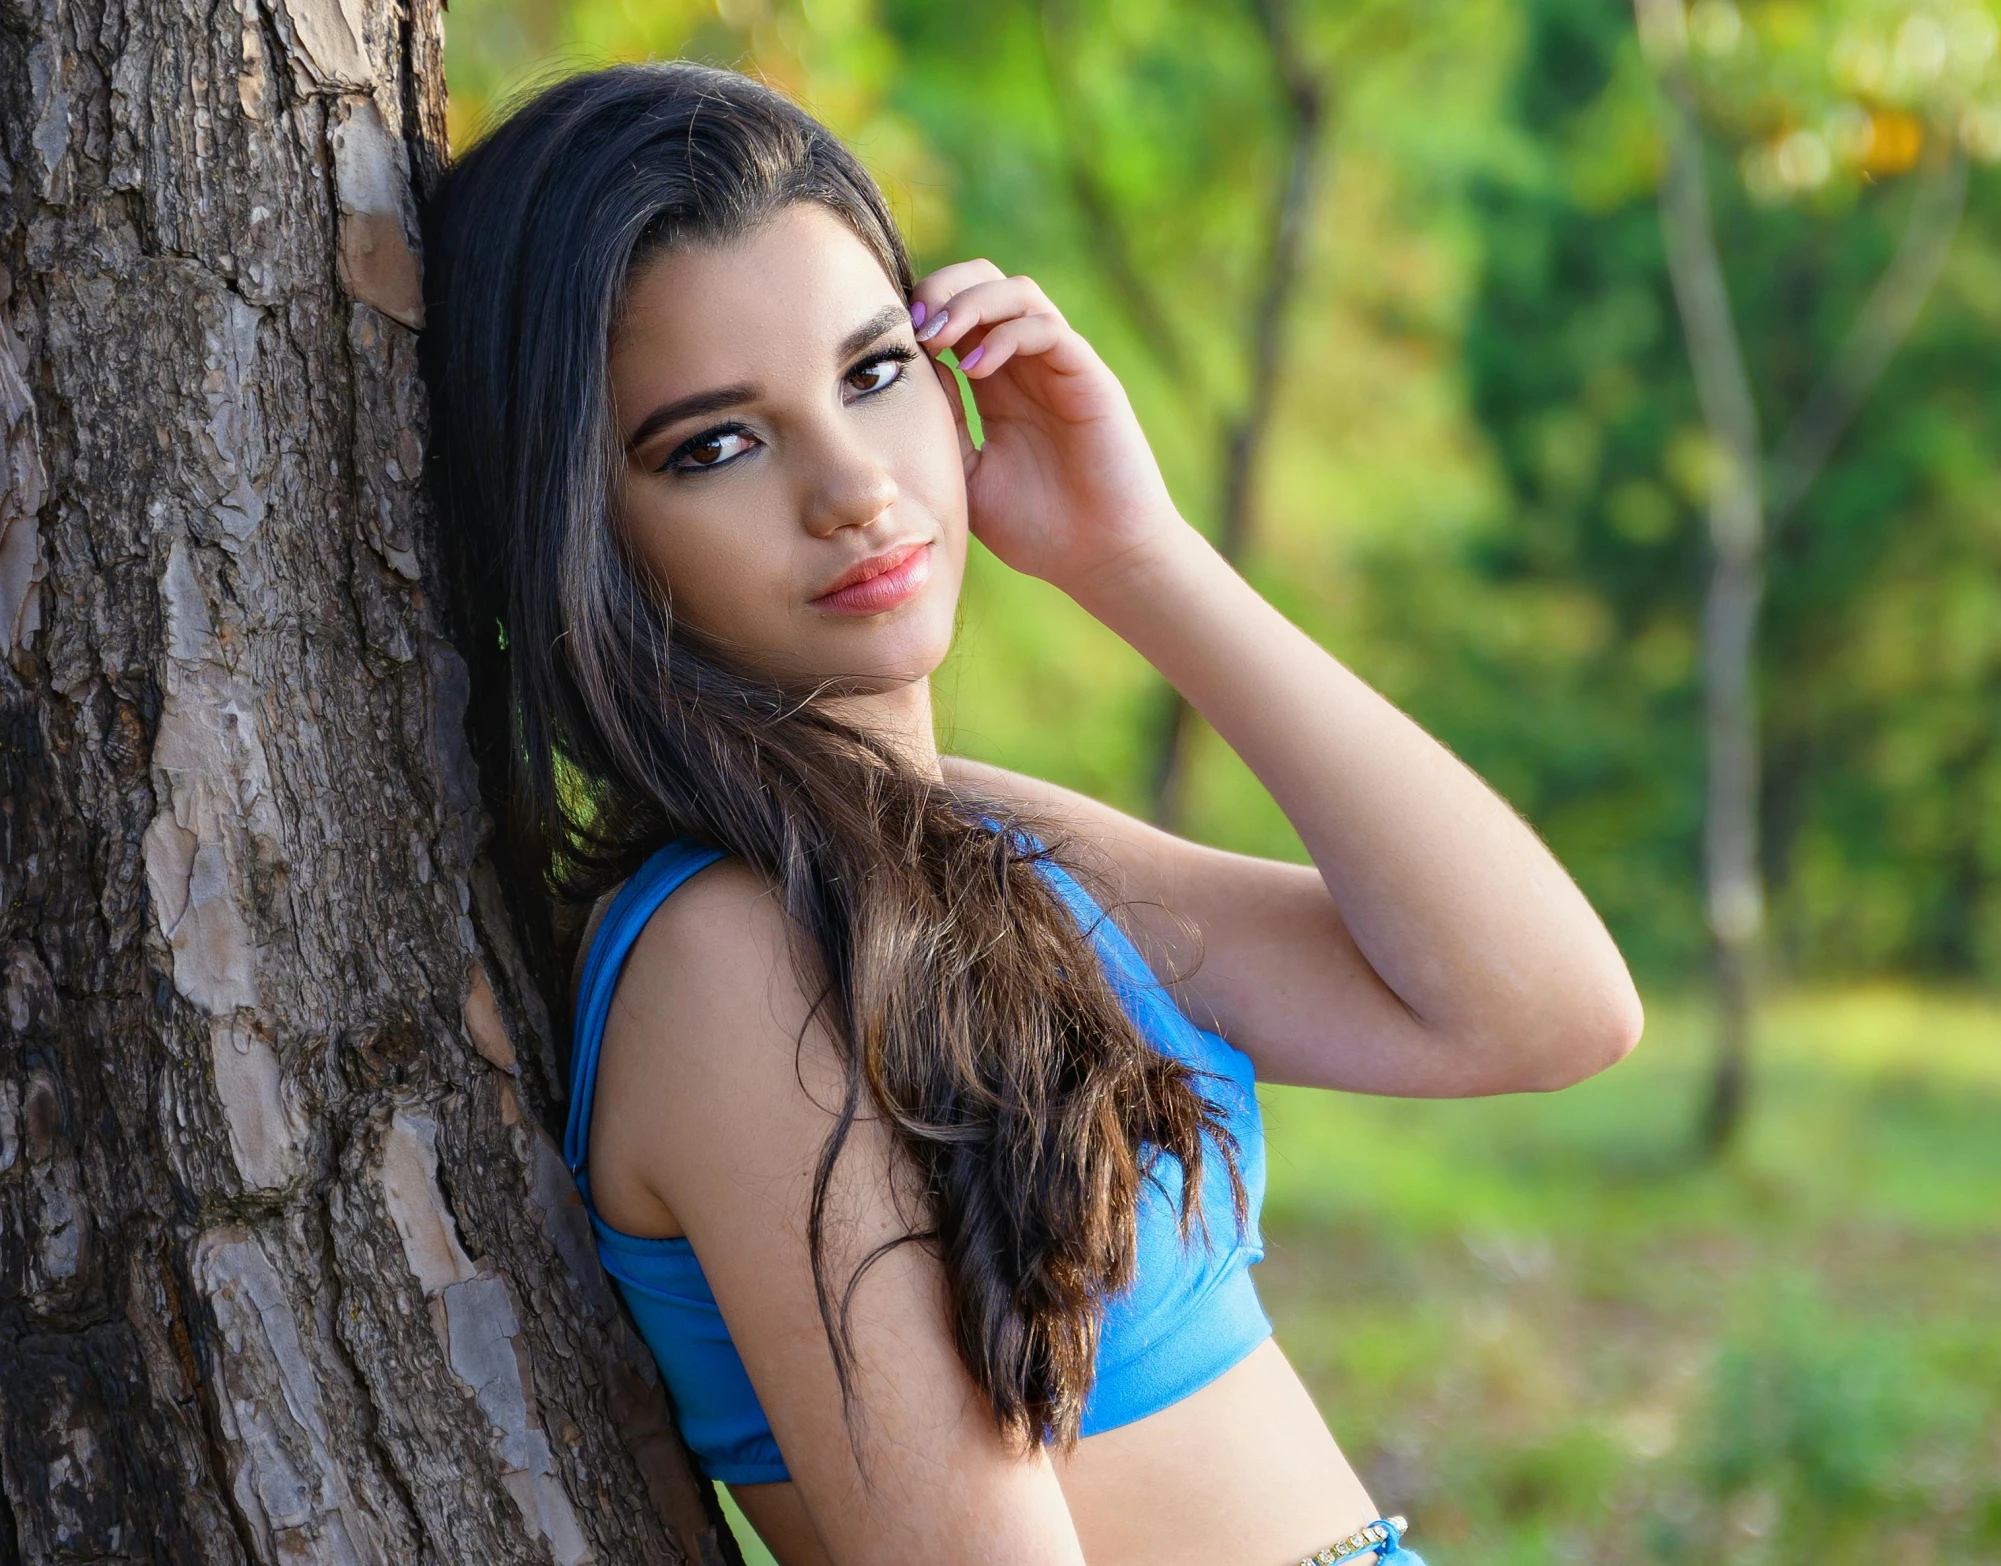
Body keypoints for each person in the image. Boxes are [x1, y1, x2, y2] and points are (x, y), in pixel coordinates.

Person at [420, 60, 1642, 1566]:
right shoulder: (729, 953)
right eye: (715, 445)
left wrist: (1140, 558)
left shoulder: (973, 838)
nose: (855, 488)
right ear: (580, 531)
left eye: (875, 373)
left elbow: (1539, 1012)